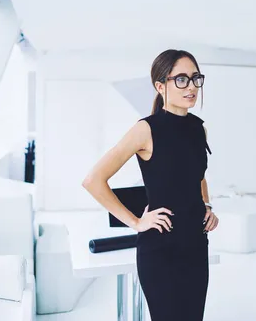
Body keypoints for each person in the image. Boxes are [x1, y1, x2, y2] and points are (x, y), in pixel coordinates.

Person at [82, 49, 219, 321]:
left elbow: (198, 175)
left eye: (195, 78)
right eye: (181, 79)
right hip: (161, 250)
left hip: (195, 245)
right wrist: (135, 222)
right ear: (160, 85)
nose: (191, 86)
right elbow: (93, 180)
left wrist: (206, 205)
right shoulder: (145, 129)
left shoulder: (198, 129)